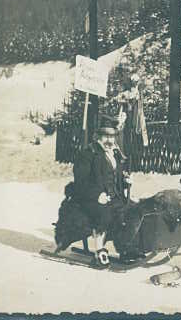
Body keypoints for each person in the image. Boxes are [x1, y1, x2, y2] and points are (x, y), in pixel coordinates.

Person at [72, 115, 131, 268]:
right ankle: (99, 251)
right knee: (104, 214)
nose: (109, 140)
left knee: (130, 211)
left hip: (113, 197)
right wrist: (97, 195)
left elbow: (114, 178)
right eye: (105, 136)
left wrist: (125, 182)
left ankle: (126, 249)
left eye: (112, 136)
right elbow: (81, 181)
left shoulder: (115, 154)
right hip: (90, 199)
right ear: (98, 136)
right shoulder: (88, 154)